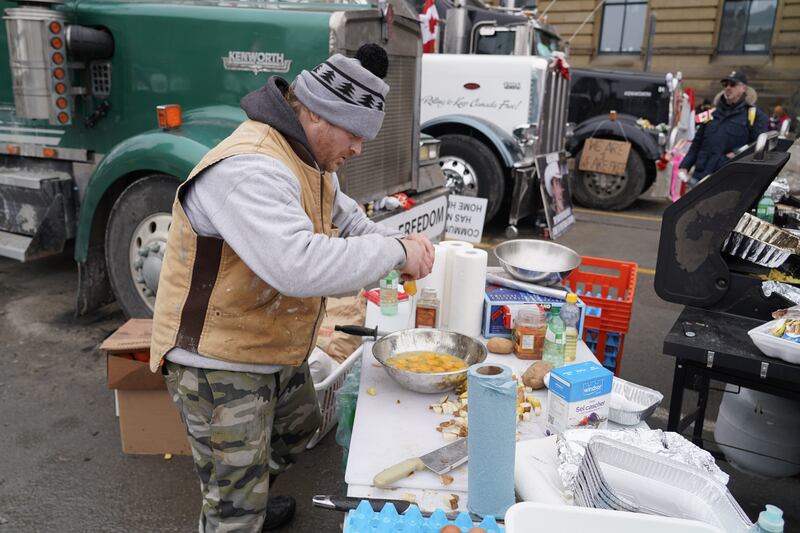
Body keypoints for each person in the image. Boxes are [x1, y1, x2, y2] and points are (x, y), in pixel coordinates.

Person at [149, 44, 435, 532]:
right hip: (217, 364)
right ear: (320, 115)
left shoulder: (309, 161)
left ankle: (246, 492)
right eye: (355, 135)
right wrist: (396, 255)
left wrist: (399, 244)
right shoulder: (251, 167)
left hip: (268, 346)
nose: (359, 149)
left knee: (300, 430)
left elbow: (349, 224)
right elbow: (297, 265)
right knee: (231, 507)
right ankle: (236, 509)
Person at [678, 70, 768, 187]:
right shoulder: (711, 114)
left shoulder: (755, 115)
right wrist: (684, 166)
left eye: (733, 84)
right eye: (725, 85)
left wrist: (736, 153)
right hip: (699, 178)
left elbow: (758, 145)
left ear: (743, 88)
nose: (728, 88)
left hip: (728, 180)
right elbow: (697, 143)